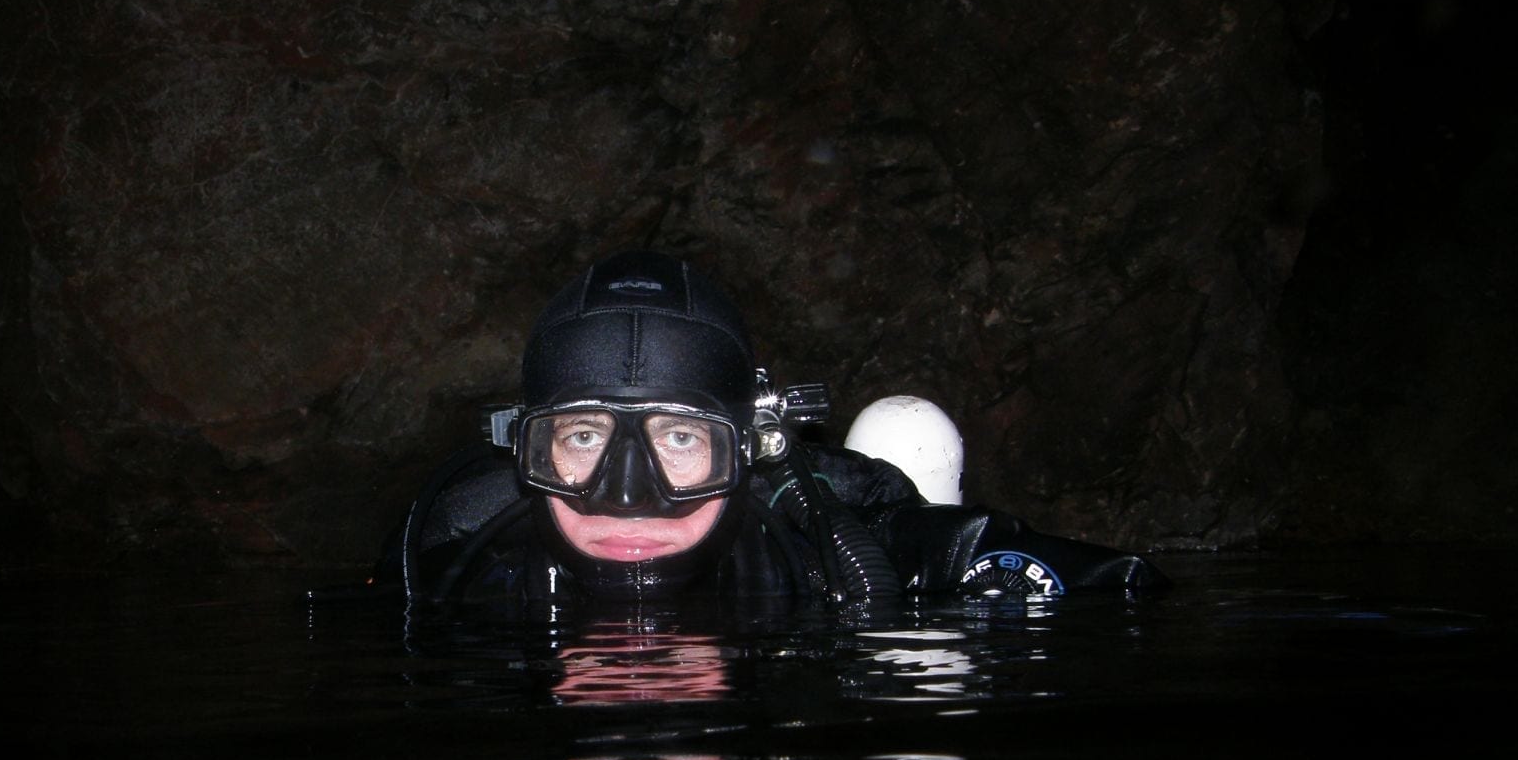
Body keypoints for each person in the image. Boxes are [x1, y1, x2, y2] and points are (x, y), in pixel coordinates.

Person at [376, 249, 1165, 607]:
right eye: (583, 438)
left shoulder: (820, 553)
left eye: (680, 438)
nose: (628, 495)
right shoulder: (457, 568)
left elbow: (1122, 588)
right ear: (527, 450)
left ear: (748, 447)